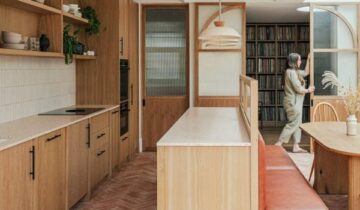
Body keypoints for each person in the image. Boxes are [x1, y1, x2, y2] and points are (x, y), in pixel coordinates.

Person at [275, 53, 315, 153]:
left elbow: (306, 72)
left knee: (298, 124)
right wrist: (309, 90)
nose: (300, 62)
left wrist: (309, 59)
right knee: (293, 123)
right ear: (294, 62)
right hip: (292, 103)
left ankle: (296, 146)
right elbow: (298, 88)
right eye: (299, 60)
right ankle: (279, 143)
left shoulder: (295, 71)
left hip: (297, 103)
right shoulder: (291, 72)